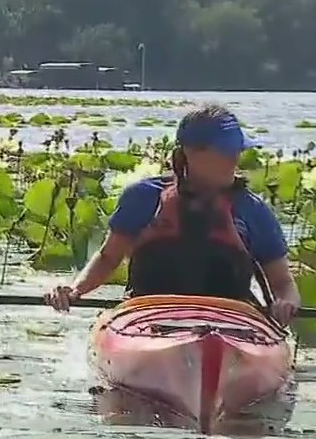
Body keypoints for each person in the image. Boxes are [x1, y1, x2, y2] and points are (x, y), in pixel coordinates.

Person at [45, 104, 301, 325]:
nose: (235, 159)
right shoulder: (143, 197)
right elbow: (108, 257)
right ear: (191, 153)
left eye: (237, 150)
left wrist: (286, 303)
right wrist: (75, 289)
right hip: (148, 317)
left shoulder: (252, 209)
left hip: (229, 323)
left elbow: (283, 282)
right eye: (226, 151)